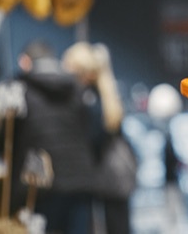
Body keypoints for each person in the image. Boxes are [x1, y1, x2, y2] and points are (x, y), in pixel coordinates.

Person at [7, 39, 97, 233]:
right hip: (80, 180)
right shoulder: (76, 87)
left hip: (43, 186)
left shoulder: (20, 89)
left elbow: (6, 139)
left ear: (25, 61)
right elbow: (90, 131)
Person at [62, 42, 133, 234]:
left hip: (98, 175)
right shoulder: (105, 97)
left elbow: (93, 138)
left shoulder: (88, 99)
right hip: (112, 177)